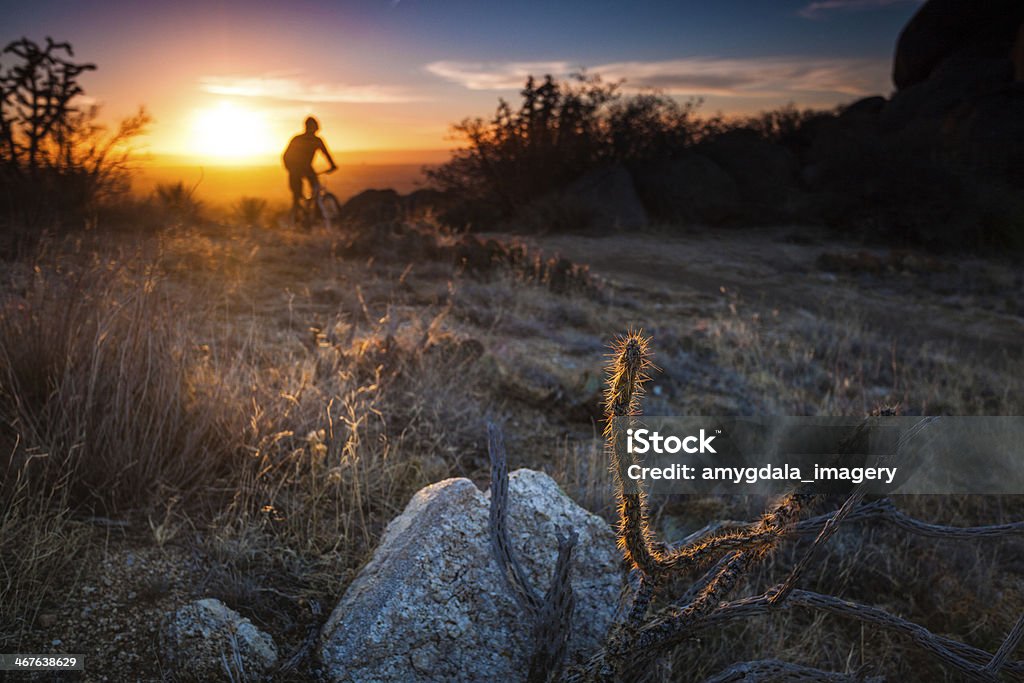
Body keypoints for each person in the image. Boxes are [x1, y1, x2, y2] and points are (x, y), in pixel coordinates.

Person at [283, 116, 337, 217]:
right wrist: (332, 166)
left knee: (312, 191)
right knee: (300, 195)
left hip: (301, 169)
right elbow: (326, 154)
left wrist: (333, 165)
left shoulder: (301, 139)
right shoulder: (314, 140)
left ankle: (311, 214)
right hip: (297, 169)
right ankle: (299, 217)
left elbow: (326, 154)